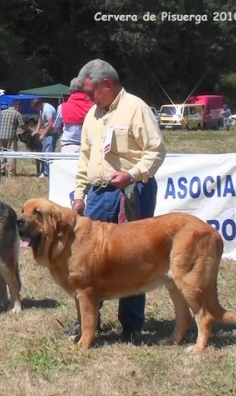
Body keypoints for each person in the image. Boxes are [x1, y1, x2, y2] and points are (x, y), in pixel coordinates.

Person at [71, 59, 166, 344]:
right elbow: (85, 158)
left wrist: (132, 174)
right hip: (99, 194)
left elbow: (156, 151)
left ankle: (132, 325)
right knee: (87, 260)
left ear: (107, 85)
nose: (86, 97)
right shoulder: (92, 115)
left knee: (134, 258)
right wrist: (79, 195)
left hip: (133, 192)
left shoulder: (136, 108)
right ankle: (87, 323)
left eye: (89, 91)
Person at [53, 77, 94, 153]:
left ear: (70, 90)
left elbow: (57, 128)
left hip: (68, 147)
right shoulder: (95, 106)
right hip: (89, 147)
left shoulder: (62, 107)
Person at [0, 101, 30, 177]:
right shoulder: (17, 113)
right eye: (20, 107)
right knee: (11, 154)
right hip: (11, 136)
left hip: (0, 136)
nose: (21, 109)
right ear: (17, 106)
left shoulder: (1, 112)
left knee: (2, 154)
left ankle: (1, 170)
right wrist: (29, 130)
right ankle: (11, 173)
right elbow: (22, 126)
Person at [31, 98, 57, 178]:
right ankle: (45, 171)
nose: (35, 110)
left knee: (47, 154)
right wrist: (37, 130)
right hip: (48, 134)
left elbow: (51, 124)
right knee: (43, 153)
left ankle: (48, 174)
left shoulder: (47, 109)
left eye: (35, 108)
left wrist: (43, 134)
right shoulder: (42, 109)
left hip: (52, 133)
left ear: (38, 105)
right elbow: (40, 119)